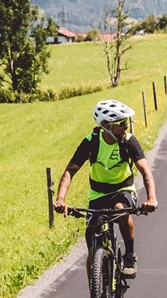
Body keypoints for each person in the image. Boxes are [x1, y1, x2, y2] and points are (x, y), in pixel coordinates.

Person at [54, 100, 159, 281]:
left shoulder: (129, 142)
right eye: (121, 123)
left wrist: (151, 198)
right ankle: (94, 295)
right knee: (92, 244)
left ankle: (130, 257)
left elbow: (145, 171)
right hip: (98, 194)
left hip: (123, 189)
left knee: (121, 210)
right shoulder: (91, 142)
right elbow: (70, 171)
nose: (126, 127)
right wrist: (60, 199)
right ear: (105, 125)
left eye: (126, 122)